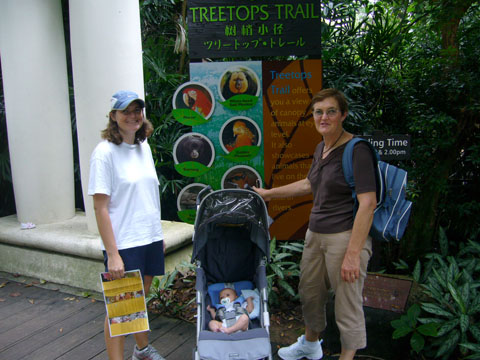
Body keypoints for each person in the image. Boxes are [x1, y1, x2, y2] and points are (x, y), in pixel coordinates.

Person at [253, 88, 377, 360]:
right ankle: (310, 344)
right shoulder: (322, 147)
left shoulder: (357, 150)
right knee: (309, 292)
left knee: (346, 304)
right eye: (318, 112)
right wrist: (270, 194)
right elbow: (310, 183)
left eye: (331, 111)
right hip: (316, 235)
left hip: (344, 238)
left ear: (343, 115)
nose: (324, 117)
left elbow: (368, 204)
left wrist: (353, 254)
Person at [88, 90, 166, 360]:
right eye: (126, 111)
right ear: (113, 116)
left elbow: (147, 195)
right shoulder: (104, 153)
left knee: (137, 304)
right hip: (124, 244)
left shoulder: (142, 146)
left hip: (149, 238)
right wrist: (113, 255)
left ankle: (142, 350)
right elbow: (100, 207)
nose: (133, 116)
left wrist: (158, 234)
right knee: (120, 313)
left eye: (137, 110)